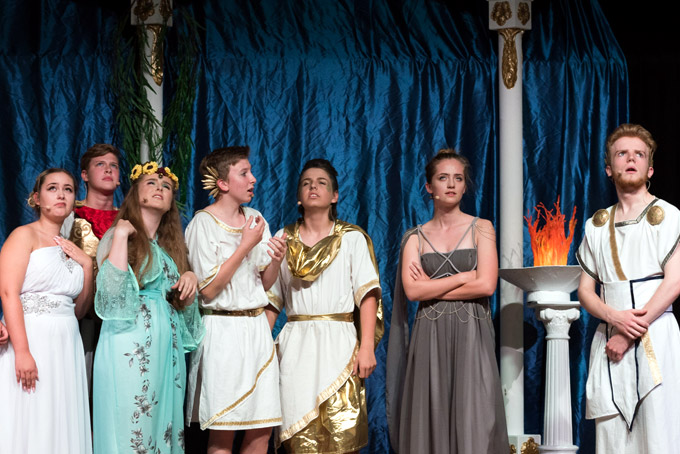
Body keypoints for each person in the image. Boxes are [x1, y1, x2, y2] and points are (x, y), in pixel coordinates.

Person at [385, 149, 508, 453]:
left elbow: (486, 284)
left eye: (458, 178)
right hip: (429, 336)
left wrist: (431, 286)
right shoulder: (414, 237)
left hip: (473, 335)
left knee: (476, 420)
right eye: (443, 178)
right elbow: (413, 292)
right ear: (429, 187)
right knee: (432, 418)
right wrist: (463, 277)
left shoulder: (482, 228)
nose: (451, 184)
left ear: (465, 186)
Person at [575, 123, 680, 452]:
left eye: (639, 154)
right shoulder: (596, 225)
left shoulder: (669, 216)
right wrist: (614, 319)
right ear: (609, 168)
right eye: (622, 153)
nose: (631, 159)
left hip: (654, 337)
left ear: (650, 169)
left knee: (657, 435)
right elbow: (585, 291)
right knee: (613, 439)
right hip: (609, 342)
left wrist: (628, 332)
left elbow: (674, 282)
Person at [268, 158, 383, 453]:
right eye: (306, 183)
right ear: (298, 196)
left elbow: (367, 295)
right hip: (296, 348)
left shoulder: (352, 239)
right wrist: (261, 348)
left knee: (341, 435)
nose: (313, 187)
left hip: (340, 346)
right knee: (298, 435)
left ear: (334, 196)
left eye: (321, 183)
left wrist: (367, 347)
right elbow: (272, 300)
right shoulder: (283, 238)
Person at [92, 161, 204, 453]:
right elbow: (112, 296)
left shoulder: (169, 250)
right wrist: (120, 235)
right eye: (151, 183)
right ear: (135, 194)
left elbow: (182, 309)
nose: (159, 189)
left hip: (166, 349)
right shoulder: (118, 235)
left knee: (161, 425)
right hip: (130, 342)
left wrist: (189, 279)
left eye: (166, 186)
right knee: (132, 422)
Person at [184, 146, 285, 454]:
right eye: (244, 173)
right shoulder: (203, 223)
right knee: (224, 432)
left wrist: (277, 260)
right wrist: (244, 246)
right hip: (222, 332)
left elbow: (264, 282)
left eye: (250, 172)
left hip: (256, 330)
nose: (253, 178)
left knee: (261, 429)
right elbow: (208, 290)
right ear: (223, 183)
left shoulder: (255, 219)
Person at [0, 168, 94, 453]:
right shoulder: (23, 235)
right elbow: (8, 292)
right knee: (32, 413)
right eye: (52, 188)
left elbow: (79, 310)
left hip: (66, 343)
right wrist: (23, 352)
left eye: (68, 189)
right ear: (37, 198)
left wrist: (87, 267)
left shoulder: (72, 249)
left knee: (60, 417)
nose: (61, 194)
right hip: (32, 338)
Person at [61, 143, 122, 400]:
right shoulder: (69, 215)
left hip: (119, 321)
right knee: (78, 391)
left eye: (114, 166)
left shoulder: (129, 219)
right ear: (84, 175)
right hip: (78, 319)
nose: (108, 170)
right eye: (100, 164)